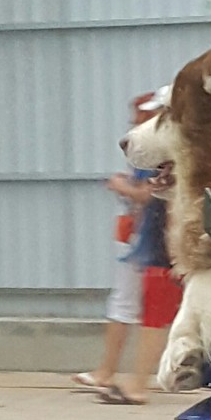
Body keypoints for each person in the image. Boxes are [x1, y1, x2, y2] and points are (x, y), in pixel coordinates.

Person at [73, 91, 172, 401]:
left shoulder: (170, 149)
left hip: (163, 237)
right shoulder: (154, 150)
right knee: (140, 306)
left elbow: (152, 192)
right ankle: (126, 377)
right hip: (150, 235)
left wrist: (124, 187)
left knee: (154, 308)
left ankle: (137, 383)